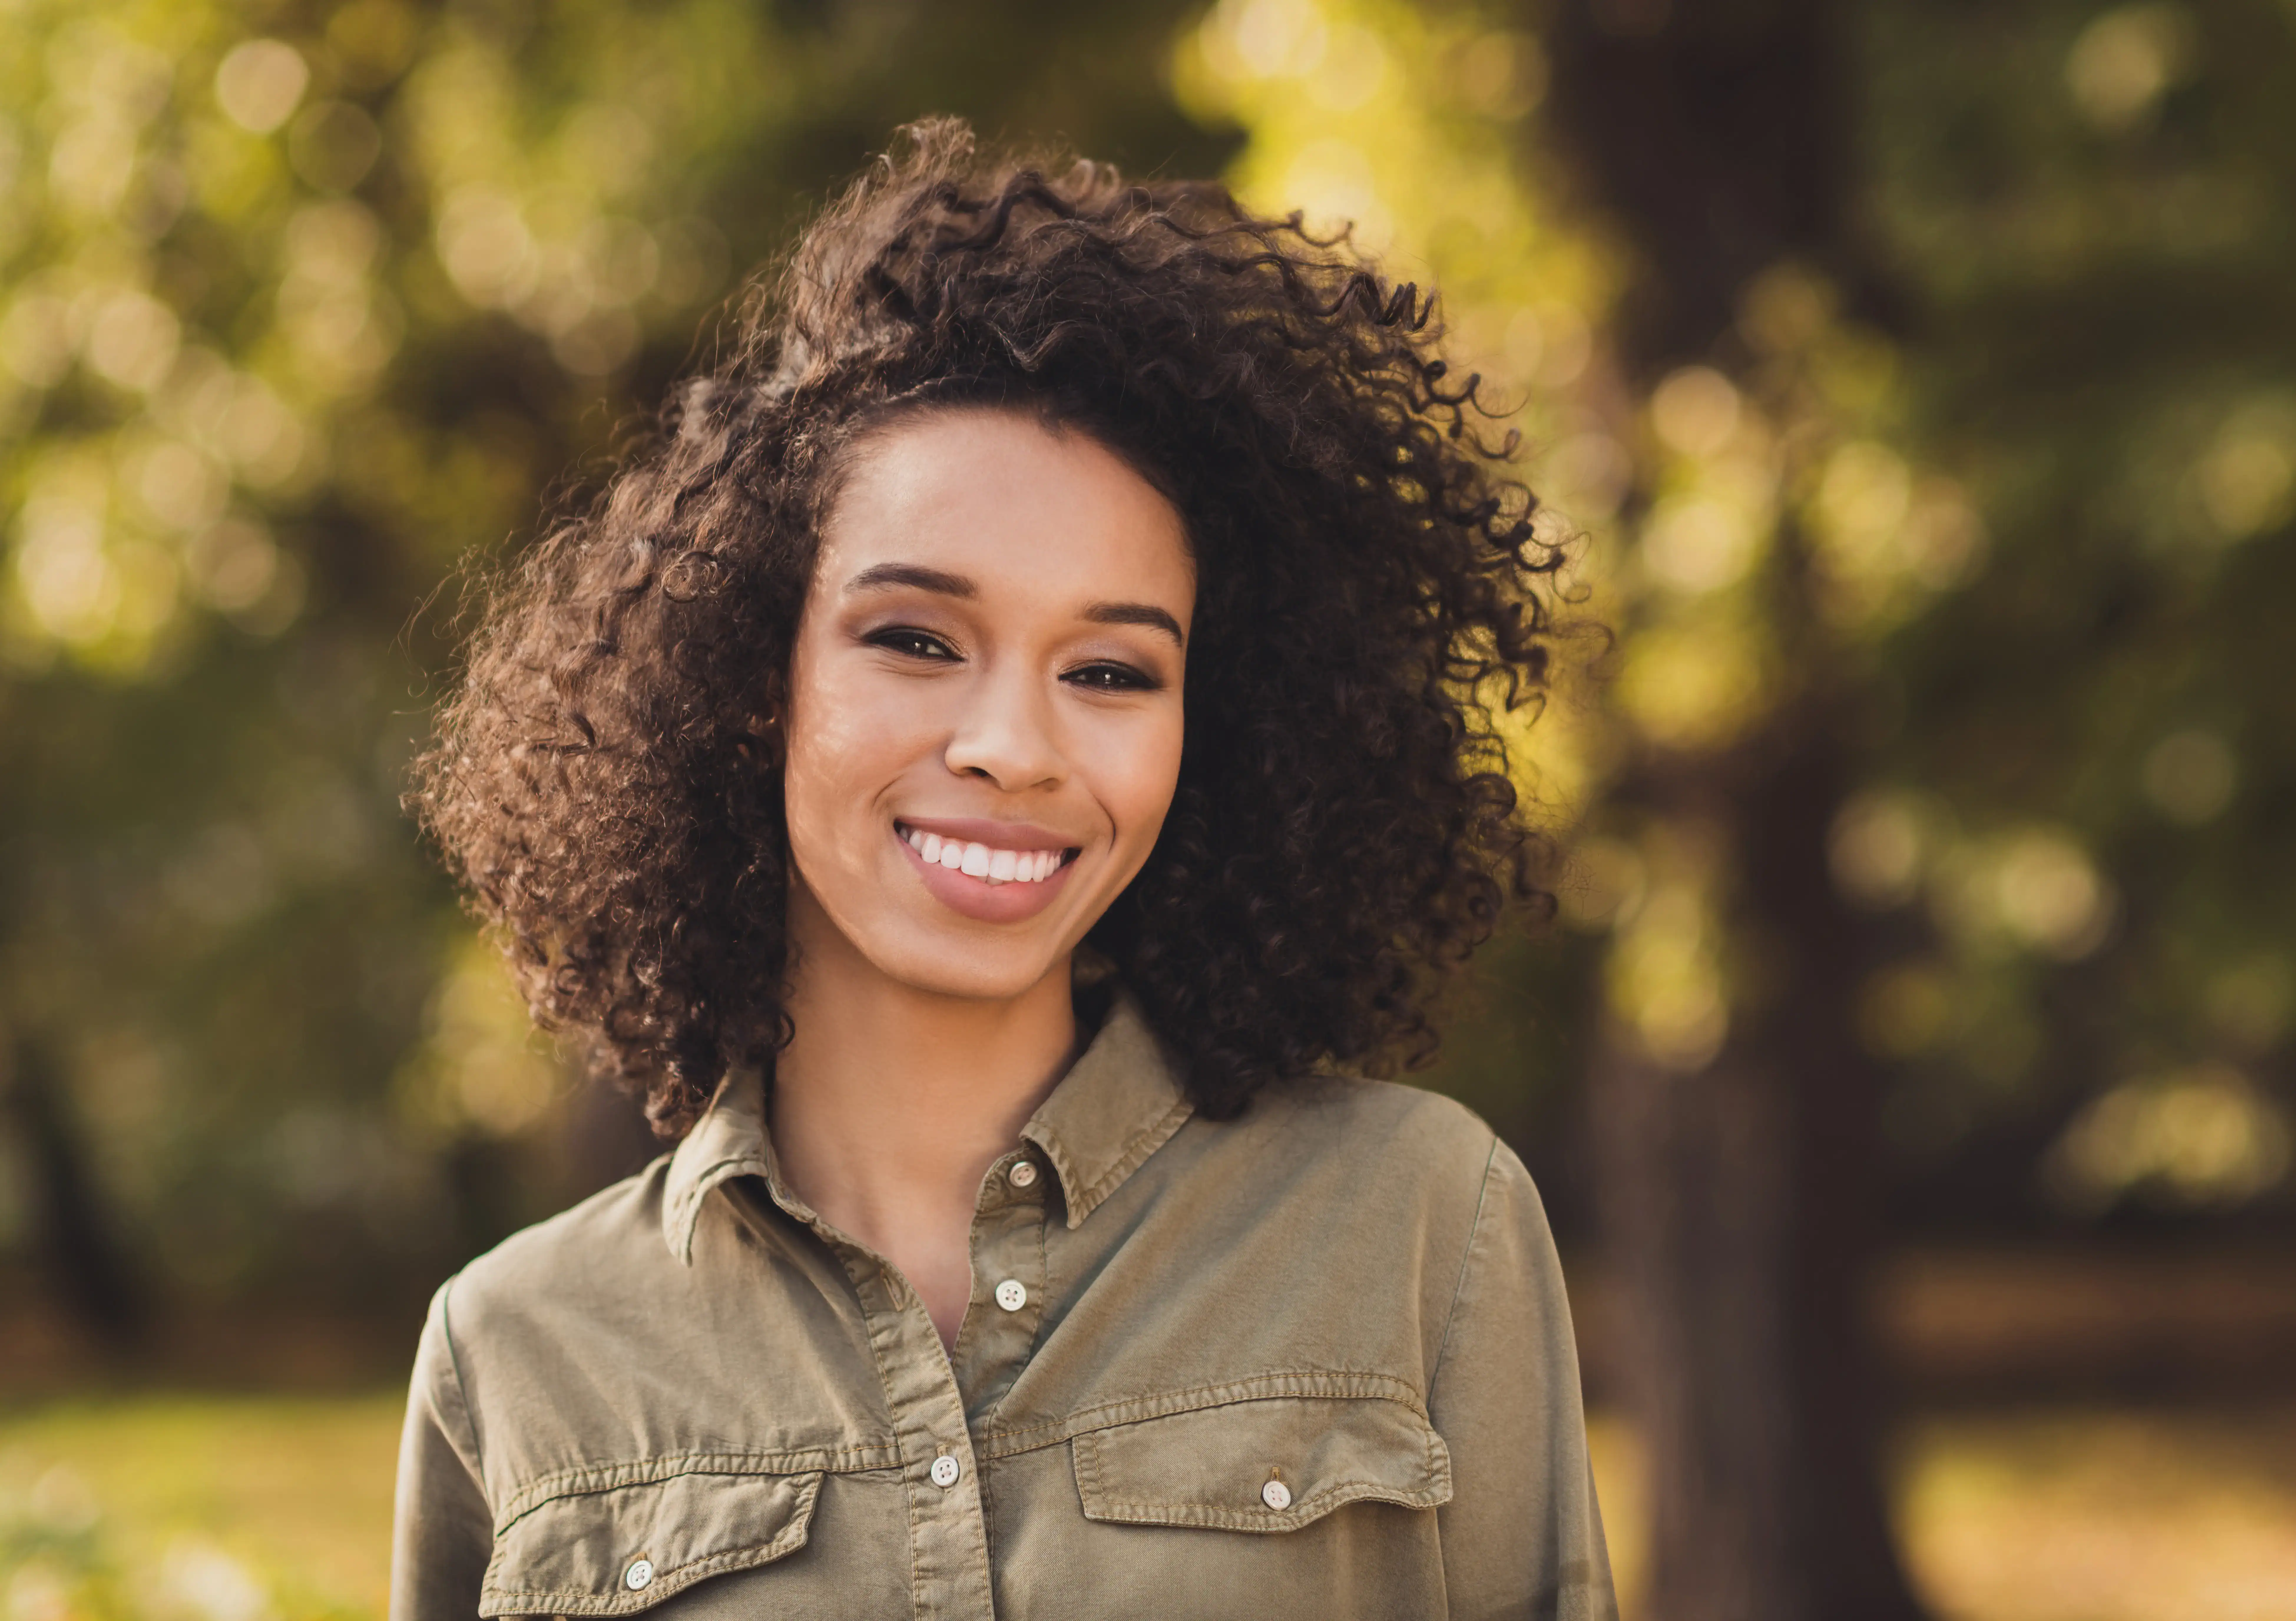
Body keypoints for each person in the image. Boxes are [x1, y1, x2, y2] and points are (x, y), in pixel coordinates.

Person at [393, 118, 1618, 1621]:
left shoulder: (1424, 1224)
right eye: (914, 639)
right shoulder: (515, 1349)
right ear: (751, 678)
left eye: (1110, 671)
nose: (1015, 746)